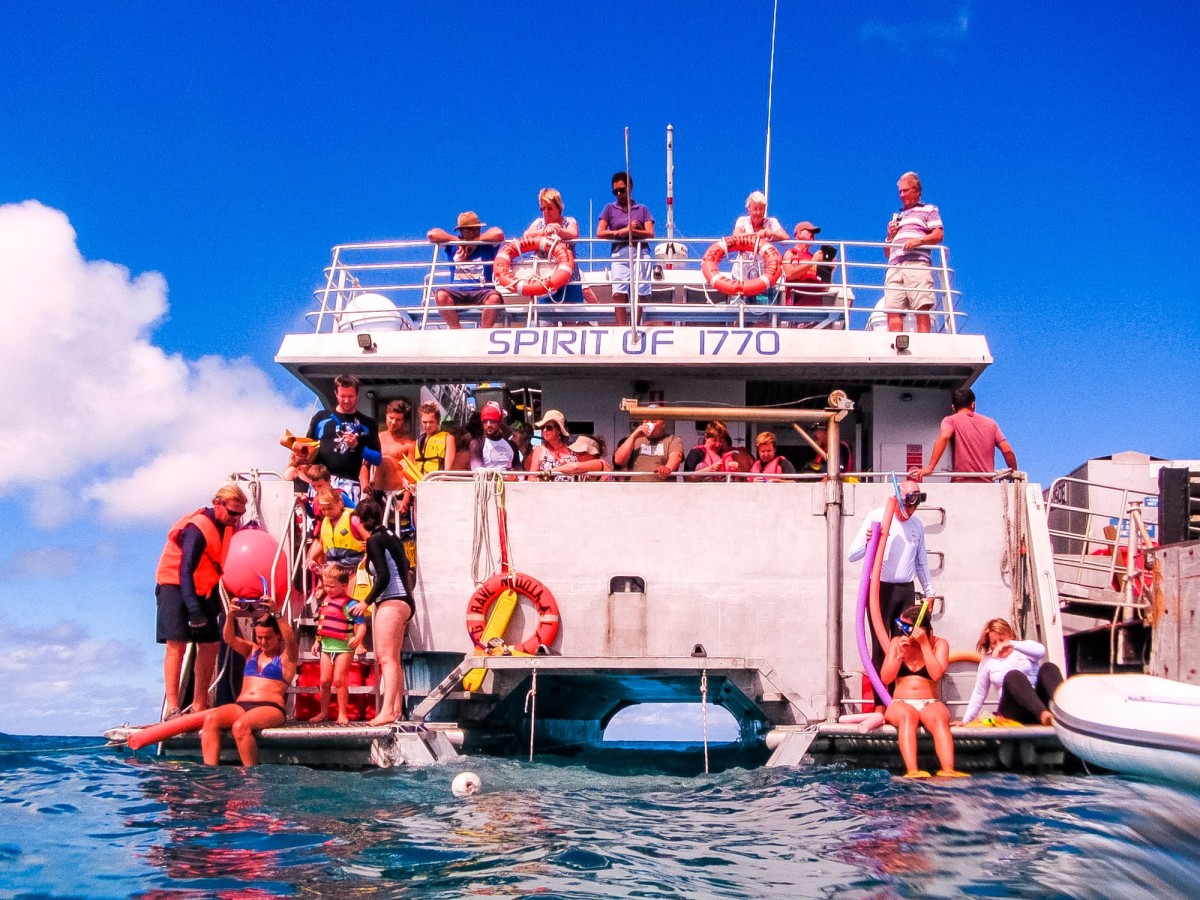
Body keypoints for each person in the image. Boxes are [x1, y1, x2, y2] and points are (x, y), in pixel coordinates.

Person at [155, 484, 247, 720]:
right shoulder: (197, 528)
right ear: (217, 503)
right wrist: (194, 609)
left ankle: (199, 705)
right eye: (233, 513)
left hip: (204, 588)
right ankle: (173, 708)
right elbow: (185, 571)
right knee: (177, 644)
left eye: (240, 514)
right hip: (175, 586)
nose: (236, 519)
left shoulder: (228, 525)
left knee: (210, 644)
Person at [847, 481, 936, 674]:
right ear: (898, 498)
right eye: (909, 504)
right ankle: (881, 702)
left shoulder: (916, 524)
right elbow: (851, 555)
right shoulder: (876, 516)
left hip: (905, 591)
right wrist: (869, 542)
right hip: (880, 591)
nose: (912, 510)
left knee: (904, 644)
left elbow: (921, 561)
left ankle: (897, 697)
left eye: (916, 505)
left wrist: (930, 591)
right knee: (881, 647)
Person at [200, 607, 298, 766]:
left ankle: (251, 775)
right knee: (211, 719)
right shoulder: (252, 651)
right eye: (259, 637)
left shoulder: (287, 658)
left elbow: (291, 641)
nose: (263, 642)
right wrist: (230, 615)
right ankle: (210, 772)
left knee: (240, 726)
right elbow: (229, 638)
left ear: (278, 636)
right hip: (241, 705)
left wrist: (278, 615)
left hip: (270, 707)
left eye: (268, 637)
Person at [880, 604, 967, 778]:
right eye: (901, 627)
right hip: (900, 703)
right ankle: (912, 770)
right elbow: (886, 678)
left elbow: (936, 674)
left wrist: (925, 645)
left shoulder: (939, 644)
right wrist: (900, 655)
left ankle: (948, 769)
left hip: (929, 701)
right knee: (907, 716)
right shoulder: (897, 642)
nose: (903, 631)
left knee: (939, 718)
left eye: (906, 628)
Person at [348, 498, 414, 726]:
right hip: (404, 600)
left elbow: (384, 576)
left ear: (361, 521)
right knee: (393, 659)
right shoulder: (391, 536)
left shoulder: (375, 540)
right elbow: (405, 565)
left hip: (392, 600)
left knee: (385, 658)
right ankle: (396, 710)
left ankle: (387, 711)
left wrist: (365, 602)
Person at [960, 619, 1064, 726]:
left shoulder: (1023, 649)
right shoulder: (988, 661)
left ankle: (1065, 711)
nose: (999, 645)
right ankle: (1043, 715)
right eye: (994, 643)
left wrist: (1011, 644)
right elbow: (979, 693)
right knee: (1013, 675)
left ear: (1010, 636)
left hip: (1039, 704)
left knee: (1048, 667)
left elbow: (1041, 651)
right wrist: (965, 721)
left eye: (1002, 640)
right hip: (1014, 711)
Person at [909, 387, 1018, 483]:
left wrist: (930, 467)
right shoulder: (991, 423)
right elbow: (1007, 450)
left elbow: (945, 436)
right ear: (973, 404)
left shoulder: (950, 420)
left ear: (953, 407)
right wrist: (1013, 474)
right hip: (987, 485)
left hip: (961, 483)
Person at [305, 374, 381, 504]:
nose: (346, 400)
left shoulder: (367, 423)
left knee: (346, 522)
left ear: (357, 395)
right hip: (320, 483)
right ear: (336, 393)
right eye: (343, 396)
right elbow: (307, 449)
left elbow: (377, 459)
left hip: (350, 484)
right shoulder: (321, 418)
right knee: (319, 523)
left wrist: (357, 446)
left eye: (350, 396)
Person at [883, 171, 944, 333]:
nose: (902, 195)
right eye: (900, 192)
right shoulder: (897, 215)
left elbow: (938, 234)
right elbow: (887, 254)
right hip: (894, 265)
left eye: (906, 190)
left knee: (921, 305)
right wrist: (889, 237)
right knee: (892, 307)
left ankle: (924, 343)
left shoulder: (929, 209)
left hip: (916, 263)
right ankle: (895, 343)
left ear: (917, 191)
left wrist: (919, 241)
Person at [427, 211, 506, 329]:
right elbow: (432, 235)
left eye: (476, 229)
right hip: (458, 292)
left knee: (494, 298)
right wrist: (458, 241)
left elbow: (498, 234)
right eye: (469, 230)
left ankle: (483, 333)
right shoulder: (452, 245)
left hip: (483, 291)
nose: (473, 232)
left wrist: (475, 242)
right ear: (461, 231)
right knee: (441, 295)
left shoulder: (487, 244)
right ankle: (457, 330)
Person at [310, 563, 367, 724]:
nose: (328, 589)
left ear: (344, 585)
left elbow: (361, 624)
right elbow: (322, 623)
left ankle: (343, 713)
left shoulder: (350, 604)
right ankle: (324, 712)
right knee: (324, 681)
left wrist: (358, 637)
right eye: (326, 585)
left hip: (344, 647)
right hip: (326, 646)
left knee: (339, 680)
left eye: (332, 586)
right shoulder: (325, 601)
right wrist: (316, 641)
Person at [523, 187, 598, 307]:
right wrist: (544, 231)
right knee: (544, 321)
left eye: (550, 208)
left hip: (569, 279)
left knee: (570, 320)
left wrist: (558, 230)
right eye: (543, 209)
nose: (546, 212)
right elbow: (526, 235)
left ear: (558, 207)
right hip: (545, 280)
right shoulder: (538, 223)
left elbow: (574, 234)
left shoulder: (569, 221)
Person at [597, 171, 655, 326]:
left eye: (622, 190)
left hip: (640, 251)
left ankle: (635, 324)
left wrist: (633, 231)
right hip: (619, 253)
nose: (618, 194)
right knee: (619, 292)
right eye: (615, 191)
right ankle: (622, 327)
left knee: (640, 290)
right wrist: (621, 232)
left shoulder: (642, 209)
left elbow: (650, 233)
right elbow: (600, 232)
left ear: (630, 188)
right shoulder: (609, 208)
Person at [731, 191, 788, 299]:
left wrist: (770, 233)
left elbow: (785, 237)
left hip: (764, 276)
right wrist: (757, 234)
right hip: (741, 275)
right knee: (738, 309)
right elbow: (736, 235)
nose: (758, 212)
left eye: (761, 209)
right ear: (749, 209)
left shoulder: (771, 222)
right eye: (755, 208)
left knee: (763, 312)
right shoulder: (742, 221)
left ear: (764, 210)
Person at [307, 489, 367, 573]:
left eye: (329, 508)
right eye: (323, 509)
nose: (326, 512)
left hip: (355, 568)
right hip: (334, 569)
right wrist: (313, 558)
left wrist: (369, 545)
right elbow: (322, 542)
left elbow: (369, 538)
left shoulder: (353, 519)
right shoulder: (326, 523)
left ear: (339, 504)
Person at [614, 410, 685, 481]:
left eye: (653, 421)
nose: (649, 423)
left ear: (663, 424)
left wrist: (668, 468)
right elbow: (618, 460)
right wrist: (634, 435)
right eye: (646, 421)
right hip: (636, 489)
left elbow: (676, 456)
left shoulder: (673, 439)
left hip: (662, 489)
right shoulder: (634, 440)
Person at [375, 399, 416, 516]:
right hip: (376, 493)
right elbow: (365, 465)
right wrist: (365, 485)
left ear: (404, 421)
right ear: (386, 416)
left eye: (398, 420)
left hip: (398, 493)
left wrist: (406, 500)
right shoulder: (377, 438)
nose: (393, 422)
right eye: (391, 418)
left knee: (396, 532)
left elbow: (410, 476)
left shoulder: (409, 444)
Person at [782, 221, 832, 307]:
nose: (813, 234)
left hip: (817, 307)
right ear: (799, 234)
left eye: (814, 232)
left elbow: (825, 287)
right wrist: (812, 261)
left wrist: (829, 269)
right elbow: (789, 274)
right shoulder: (791, 253)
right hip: (797, 307)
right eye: (809, 231)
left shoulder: (815, 257)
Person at [525, 409, 577, 482]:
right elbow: (531, 478)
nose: (544, 430)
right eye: (543, 427)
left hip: (572, 491)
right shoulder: (539, 450)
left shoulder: (572, 449)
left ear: (559, 430)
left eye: (549, 427)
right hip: (548, 492)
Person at [469, 401, 521, 471]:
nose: (488, 425)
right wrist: (504, 476)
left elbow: (519, 471)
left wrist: (517, 477)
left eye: (492, 421)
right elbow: (476, 470)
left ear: (499, 422)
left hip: (509, 481)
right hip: (487, 481)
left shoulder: (512, 445)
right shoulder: (477, 444)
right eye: (485, 422)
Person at [414, 402, 456, 475]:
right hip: (420, 483)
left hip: (437, 482)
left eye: (431, 422)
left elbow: (448, 469)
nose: (427, 425)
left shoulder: (448, 438)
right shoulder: (419, 441)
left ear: (438, 420)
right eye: (424, 422)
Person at [549, 435, 613, 481]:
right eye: (576, 452)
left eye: (582, 452)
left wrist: (549, 472)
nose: (578, 455)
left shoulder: (599, 463)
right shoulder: (585, 468)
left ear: (593, 453)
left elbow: (575, 467)